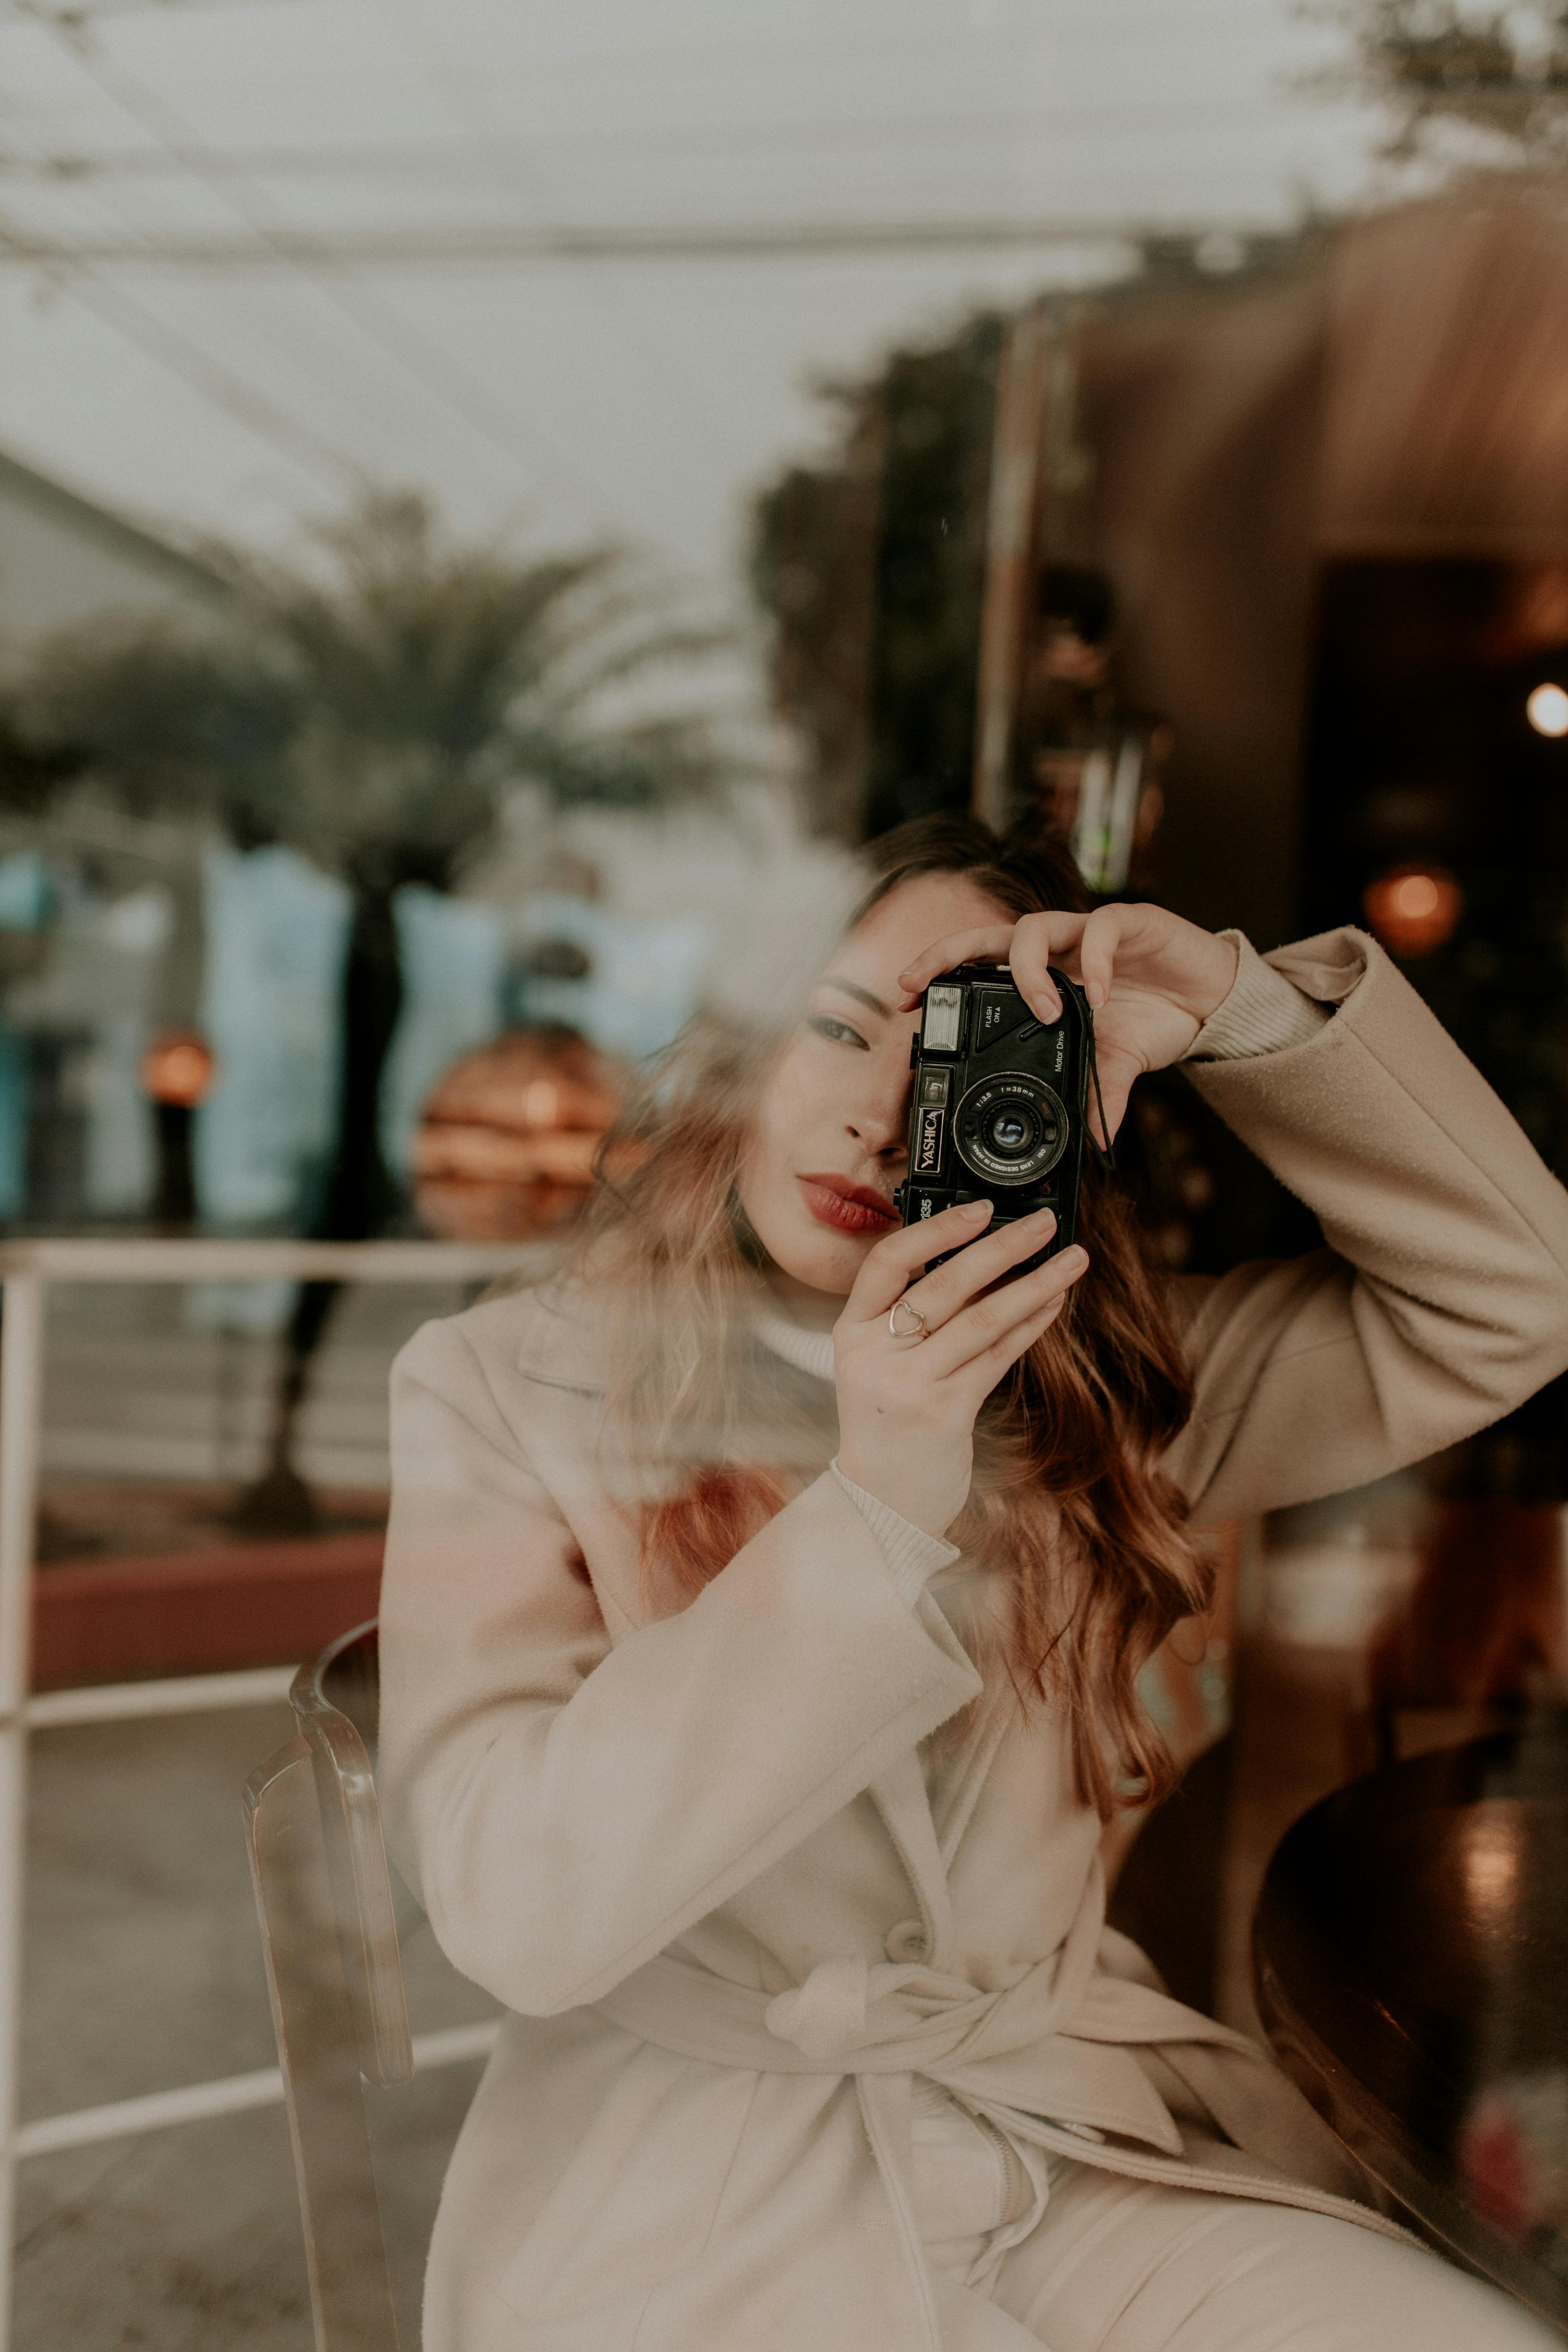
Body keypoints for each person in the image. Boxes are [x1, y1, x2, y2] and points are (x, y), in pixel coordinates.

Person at [379, 814, 1568, 2352]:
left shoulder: (1108, 1387)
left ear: (1058, 1111)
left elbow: (1514, 1298)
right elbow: (514, 1913)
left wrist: (1235, 1009)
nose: (881, 1117)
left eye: (958, 1055)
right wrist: (875, 1500)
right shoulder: (501, 1386)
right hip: (691, 2194)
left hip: (1059, 2133)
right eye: (836, 1028)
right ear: (738, 1053)